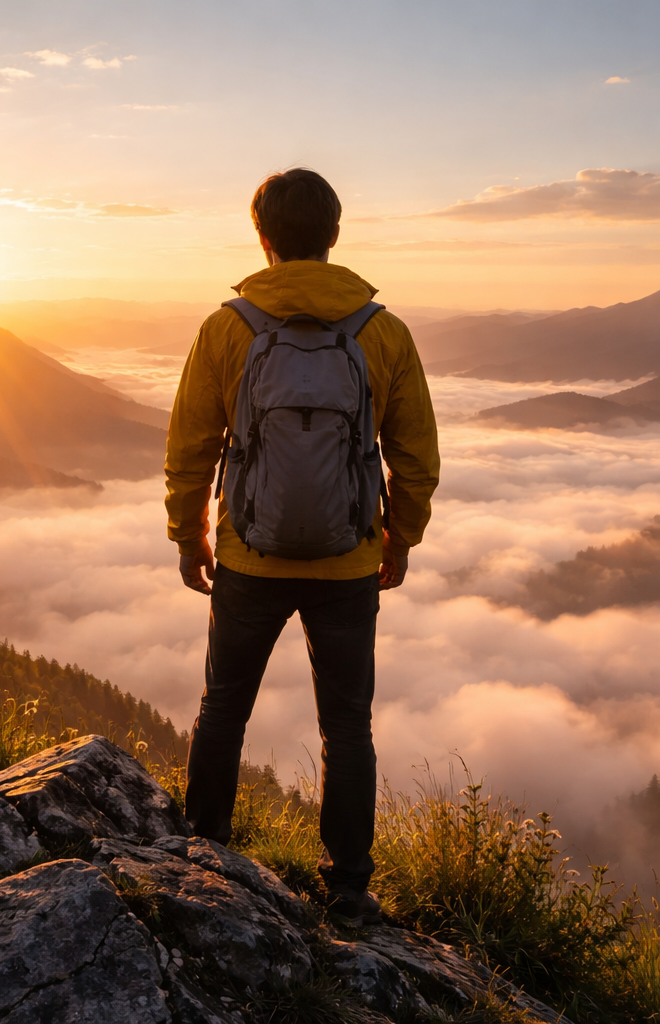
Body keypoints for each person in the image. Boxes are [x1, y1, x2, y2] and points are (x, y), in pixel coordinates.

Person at [164, 168, 440, 925]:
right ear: (335, 236)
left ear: (262, 237)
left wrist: (188, 535)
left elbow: (190, 447)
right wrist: (400, 537)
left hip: (248, 556)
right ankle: (347, 887)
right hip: (348, 559)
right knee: (347, 726)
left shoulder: (227, 328)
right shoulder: (383, 332)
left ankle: (203, 853)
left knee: (224, 707)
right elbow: (415, 457)